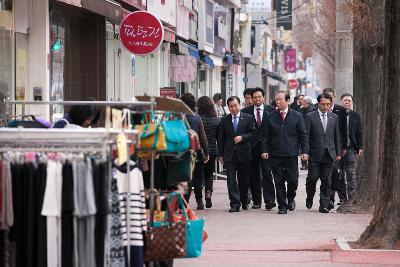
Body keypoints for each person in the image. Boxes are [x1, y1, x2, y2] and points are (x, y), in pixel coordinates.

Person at [261, 91, 308, 214]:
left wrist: (304, 151)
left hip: (291, 154)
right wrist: (264, 150)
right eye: (276, 99)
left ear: (288, 101)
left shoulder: (297, 116)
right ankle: (282, 205)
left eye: (280, 99)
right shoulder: (270, 116)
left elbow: (303, 135)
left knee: (293, 180)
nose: (278, 101)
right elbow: (265, 136)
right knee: (278, 180)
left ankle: (291, 198)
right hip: (275, 154)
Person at [217, 96, 255, 212]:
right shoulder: (224, 120)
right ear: (228, 107)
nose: (233, 108)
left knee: (243, 180)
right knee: (231, 180)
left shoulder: (248, 118)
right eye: (231, 106)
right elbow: (221, 138)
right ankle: (234, 203)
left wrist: (242, 137)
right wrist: (220, 155)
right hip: (229, 154)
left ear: (240, 105)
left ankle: (244, 200)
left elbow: (253, 133)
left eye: (235, 105)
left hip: (244, 154)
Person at [305, 93, 342, 213]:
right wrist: (305, 151)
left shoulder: (334, 117)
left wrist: (338, 152)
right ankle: (310, 197)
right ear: (318, 104)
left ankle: (324, 204)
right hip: (315, 153)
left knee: (327, 179)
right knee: (312, 178)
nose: (325, 107)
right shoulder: (310, 116)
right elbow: (306, 136)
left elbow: (336, 136)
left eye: (328, 104)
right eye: (323, 104)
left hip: (329, 153)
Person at [241, 87, 276, 209]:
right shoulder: (245, 111)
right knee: (253, 175)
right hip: (251, 148)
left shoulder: (271, 110)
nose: (257, 99)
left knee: (267, 173)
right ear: (251, 99)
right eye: (254, 97)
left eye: (259, 97)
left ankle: (270, 200)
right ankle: (257, 201)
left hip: (267, 148)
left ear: (263, 97)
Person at [181, 93, 209, 210]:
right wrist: (206, 152)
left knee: (184, 179)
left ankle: (183, 204)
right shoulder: (196, 118)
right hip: (195, 152)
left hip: (181, 152)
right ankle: (200, 202)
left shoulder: (178, 117)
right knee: (197, 177)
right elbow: (202, 137)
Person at [322, 88, 347, 206]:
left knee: (336, 174)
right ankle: (329, 199)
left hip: (336, 148)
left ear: (333, 98)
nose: (329, 101)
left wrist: (343, 147)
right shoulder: (318, 110)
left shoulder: (340, 111)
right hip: (323, 149)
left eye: (330, 98)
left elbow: (343, 130)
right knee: (327, 175)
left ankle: (341, 197)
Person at [197, 96, 220, 209]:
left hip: (198, 151)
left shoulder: (197, 119)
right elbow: (219, 138)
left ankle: (199, 200)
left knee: (198, 175)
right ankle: (208, 193)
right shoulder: (216, 120)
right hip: (212, 150)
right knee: (209, 174)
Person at [341, 93, 363, 200]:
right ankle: (341, 197)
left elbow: (359, 132)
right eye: (345, 100)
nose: (347, 102)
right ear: (341, 102)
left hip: (351, 148)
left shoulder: (356, 116)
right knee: (339, 173)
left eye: (349, 101)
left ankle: (351, 196)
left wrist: (360, 147)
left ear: (352, 103)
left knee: (351, 172)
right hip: (339, 149)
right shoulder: (336, 114)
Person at [299, 96, 315, 170]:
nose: (302, 102)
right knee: (302, 147)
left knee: (308, 147)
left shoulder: (312, 110)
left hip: (310, 131)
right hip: (302, 130)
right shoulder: (300, 109)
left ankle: (308, 163)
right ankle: (304, 164)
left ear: (307, 102)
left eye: (303, 101)